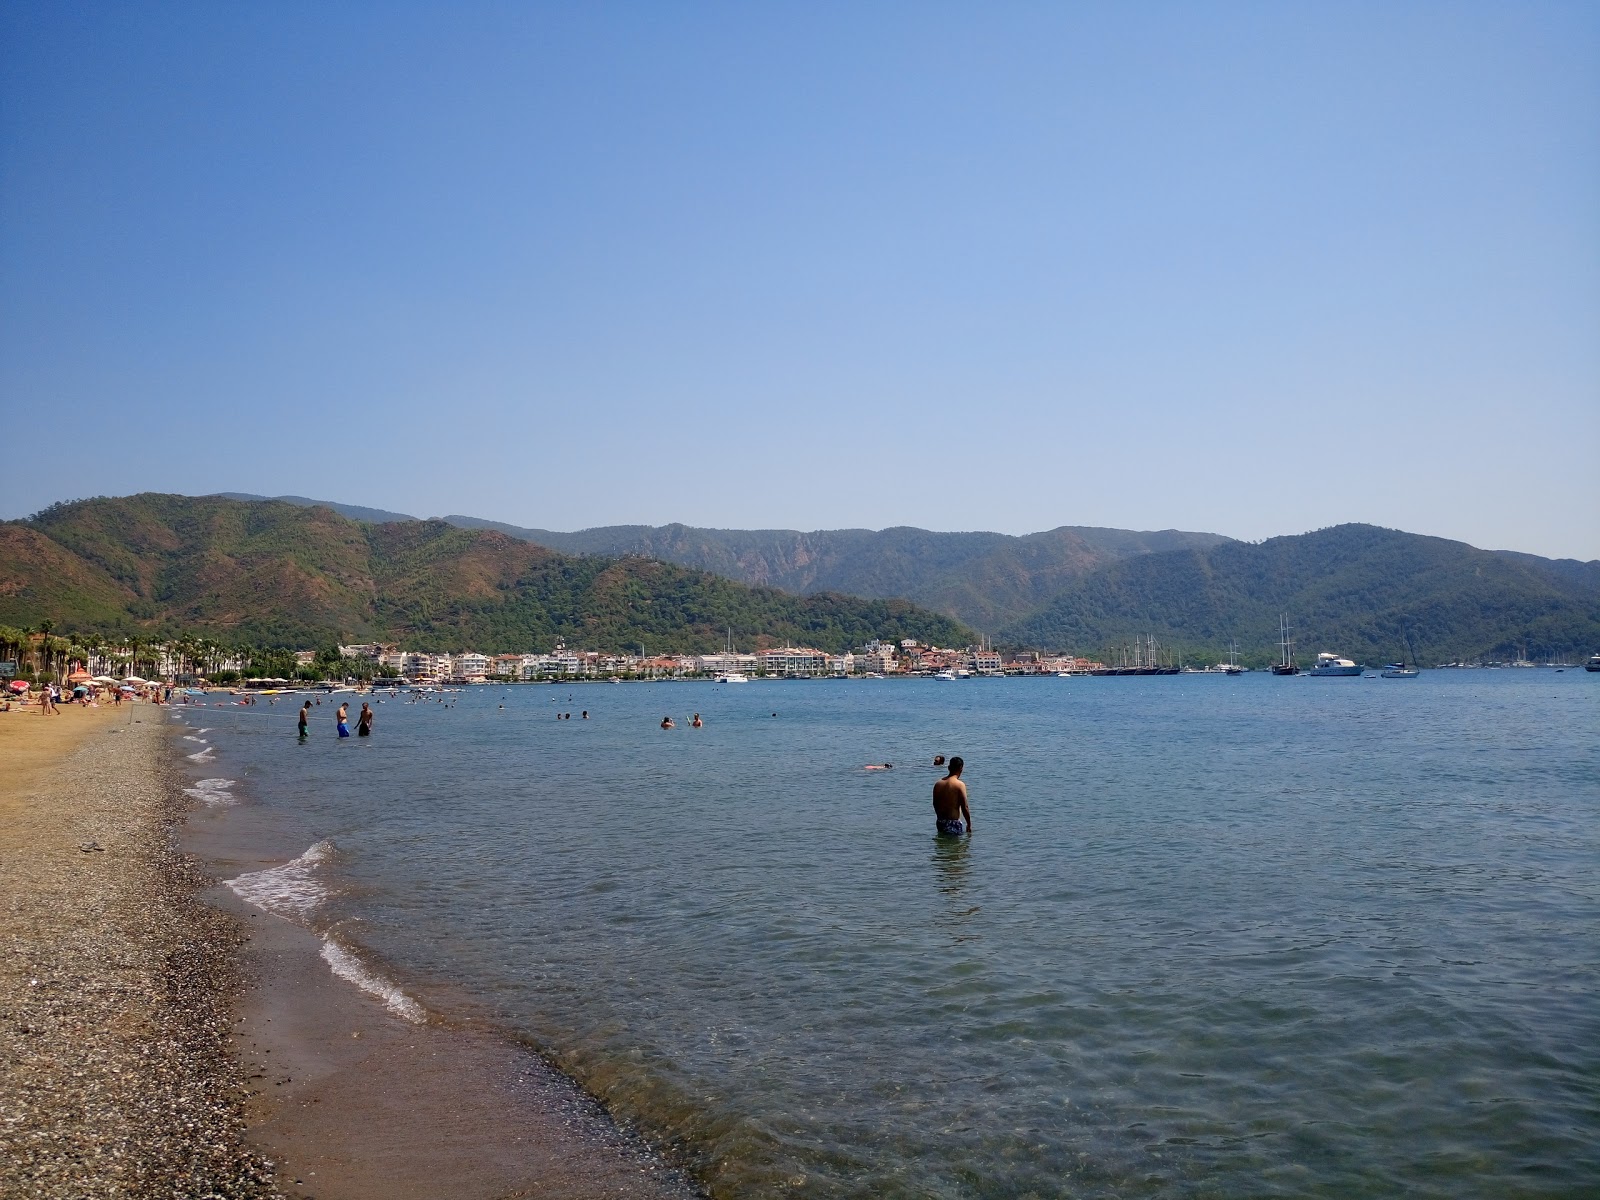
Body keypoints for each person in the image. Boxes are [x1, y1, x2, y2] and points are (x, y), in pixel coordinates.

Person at [933, 757, 972, 837]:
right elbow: (965, 807)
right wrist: (969, 824)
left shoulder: (938, 784)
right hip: (953, 823)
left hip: (940, 822)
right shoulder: (960, 785)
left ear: (948, 768)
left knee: (942, 847)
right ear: (961, 768)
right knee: (955, 848)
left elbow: (935, 804)